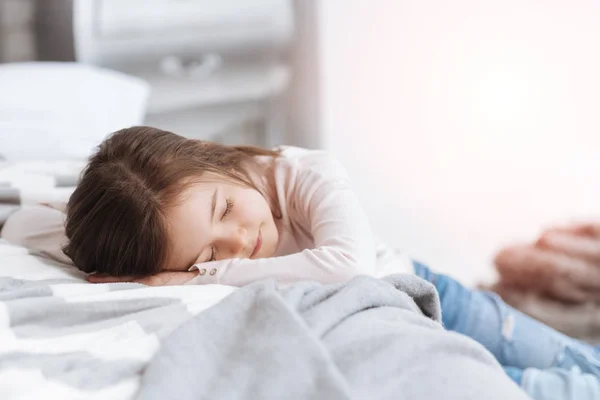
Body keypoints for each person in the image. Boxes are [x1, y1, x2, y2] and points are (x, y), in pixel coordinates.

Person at [3, 126, 600, 400]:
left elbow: (346, 270)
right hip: (406, 318)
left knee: (574, 361)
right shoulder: (172, 226)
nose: (241, 242)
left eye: (226, 208)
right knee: (540, 387)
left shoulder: (305, 171)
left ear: (216, 161)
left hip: (438, 292)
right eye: (207, 253)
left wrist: (205, 271)